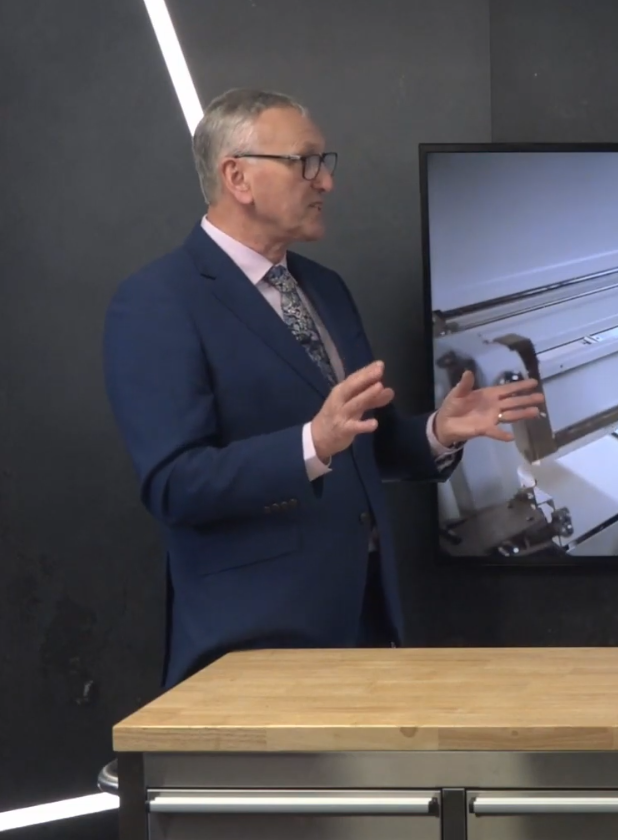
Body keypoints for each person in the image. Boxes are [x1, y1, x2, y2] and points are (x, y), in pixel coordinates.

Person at [103, 88, 544, 688]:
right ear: (238, 177)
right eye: (305, 162)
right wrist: (311, 443)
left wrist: (438, 432)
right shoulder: (158, 302)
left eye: (323, 162)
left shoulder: (325, 288)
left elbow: (363, 445)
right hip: (251, 647)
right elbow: (175, 486)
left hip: (366, 624)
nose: (326, 182)